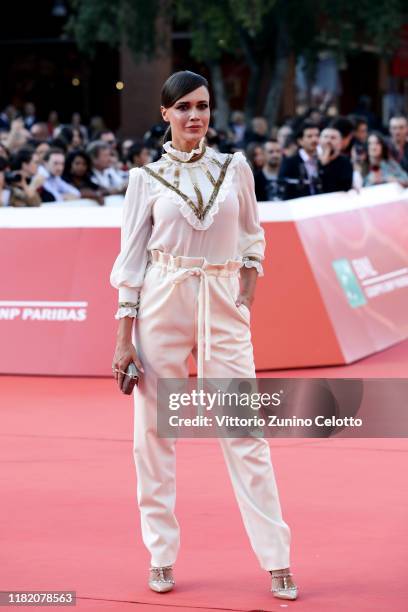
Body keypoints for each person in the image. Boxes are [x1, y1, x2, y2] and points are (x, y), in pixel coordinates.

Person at [110, 70, 298, 601]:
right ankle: (160, 555)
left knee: (245, 433)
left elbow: (252, 234)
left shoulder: (234, 168)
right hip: (162, 303)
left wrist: (248, 285)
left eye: (203, 106)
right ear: (165, 115)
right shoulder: (144, 179)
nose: (196, 116)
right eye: (184, 108)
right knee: (154, 436)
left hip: (222, 304)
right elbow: (130, 262)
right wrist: (125, 338)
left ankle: (277, 559)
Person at [278, 121, 320, 199]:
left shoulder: (323, 160)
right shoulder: (290, 163)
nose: (314, 139)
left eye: (317, 136)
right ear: (300, 141)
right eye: (309, 136)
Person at [317, 127, 353, 193]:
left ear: (340, 142)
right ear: (319, 140)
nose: (328, 141)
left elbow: (346, 187)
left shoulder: (345, 162)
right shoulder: (312, 159)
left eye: (333, 138)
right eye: (325, 137)